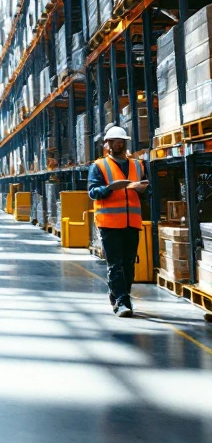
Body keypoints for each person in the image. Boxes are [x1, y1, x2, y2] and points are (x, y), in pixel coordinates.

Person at [87, 125, 148, 318]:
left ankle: (121, 295)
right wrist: (109, 189)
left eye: (121, 141)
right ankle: (122, 301)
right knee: (115, 264)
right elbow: (92, 192)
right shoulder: (99, 166)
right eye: (114, 142)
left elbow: (146, 189)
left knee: (129, 263)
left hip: (132, 222)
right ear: (107, 144)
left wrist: (143, 188)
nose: (118, 144)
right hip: (110, 223)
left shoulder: (138, 165)